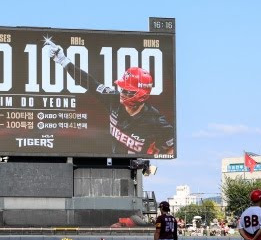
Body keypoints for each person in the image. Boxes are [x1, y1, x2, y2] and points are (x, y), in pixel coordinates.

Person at [46, 38, 174, 156]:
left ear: (142, 94)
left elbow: (172, 148)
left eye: (128, 91)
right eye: (122, 88)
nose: (122, 93)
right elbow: (89, 82)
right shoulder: (113, 99)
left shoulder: (156, 122)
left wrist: (156, 160)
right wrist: (64, 61)